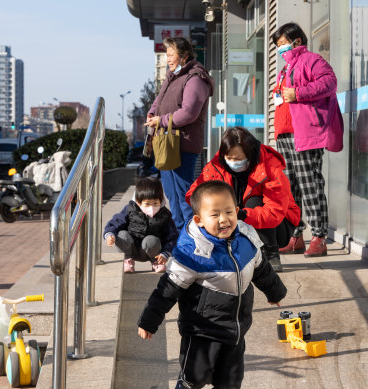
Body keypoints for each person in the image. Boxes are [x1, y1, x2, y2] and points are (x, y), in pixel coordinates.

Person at [138, 181, 287, 389]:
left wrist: (275, 292)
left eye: (228, 212)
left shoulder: (246, 240)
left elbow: (261, 269)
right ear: (199, 220)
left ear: (236, 211)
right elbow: (168, 289)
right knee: (194, 378)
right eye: (215, 215)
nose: (224, 219)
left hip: (236, 330)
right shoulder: (193, 252)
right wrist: (149, 320)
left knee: (231, 382)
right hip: (202, 331)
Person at [272, 22, 344, 257]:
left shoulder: (312, 60)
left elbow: (329, 82)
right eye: (278, 46)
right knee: (289, 188)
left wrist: (299, 93)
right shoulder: (285, 69)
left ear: (297, 42)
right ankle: (295, 235)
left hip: (305, 133)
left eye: (283, 44)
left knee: (310, 185)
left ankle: (319, 236)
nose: (280, 49)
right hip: (284, 133)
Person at [185, 127, 301, 273]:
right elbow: (193, 195)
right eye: (229, 158)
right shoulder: (216, 166)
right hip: (238, 217)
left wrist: (242, 215)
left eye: (238, 158)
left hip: (279, 226)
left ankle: (271, 253)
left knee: (254, 202)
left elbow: (274, 212)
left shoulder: (270, 166)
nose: (233, 162)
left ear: (250, 154)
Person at [145, 36, 214, 232]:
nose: (168, 58)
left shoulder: (196, 78)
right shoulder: (171, 76)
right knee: (171, 193)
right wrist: (152, 113)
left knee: (184, 193)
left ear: (184, 56)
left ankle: (193, 235)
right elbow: (159, 101)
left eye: (171, 54)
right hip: (166, 142)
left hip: (183, 143)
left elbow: (189, 113)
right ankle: (178, 236)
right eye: (166, 54)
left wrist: (162, 120)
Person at [104, 177, 178, 273]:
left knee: (152, 240)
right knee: (122, 234)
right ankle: (127, 260)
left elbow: (172, 236)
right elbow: (116, 222)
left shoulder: (164, 214)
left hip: (152, 251)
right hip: (131, 248)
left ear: (161, 200)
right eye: (147, 204)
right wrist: (110, 234)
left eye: (155, 203)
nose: (151, 207)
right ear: (138, 202)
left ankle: (156, 262)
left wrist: (165, 253)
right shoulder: (130, 209)